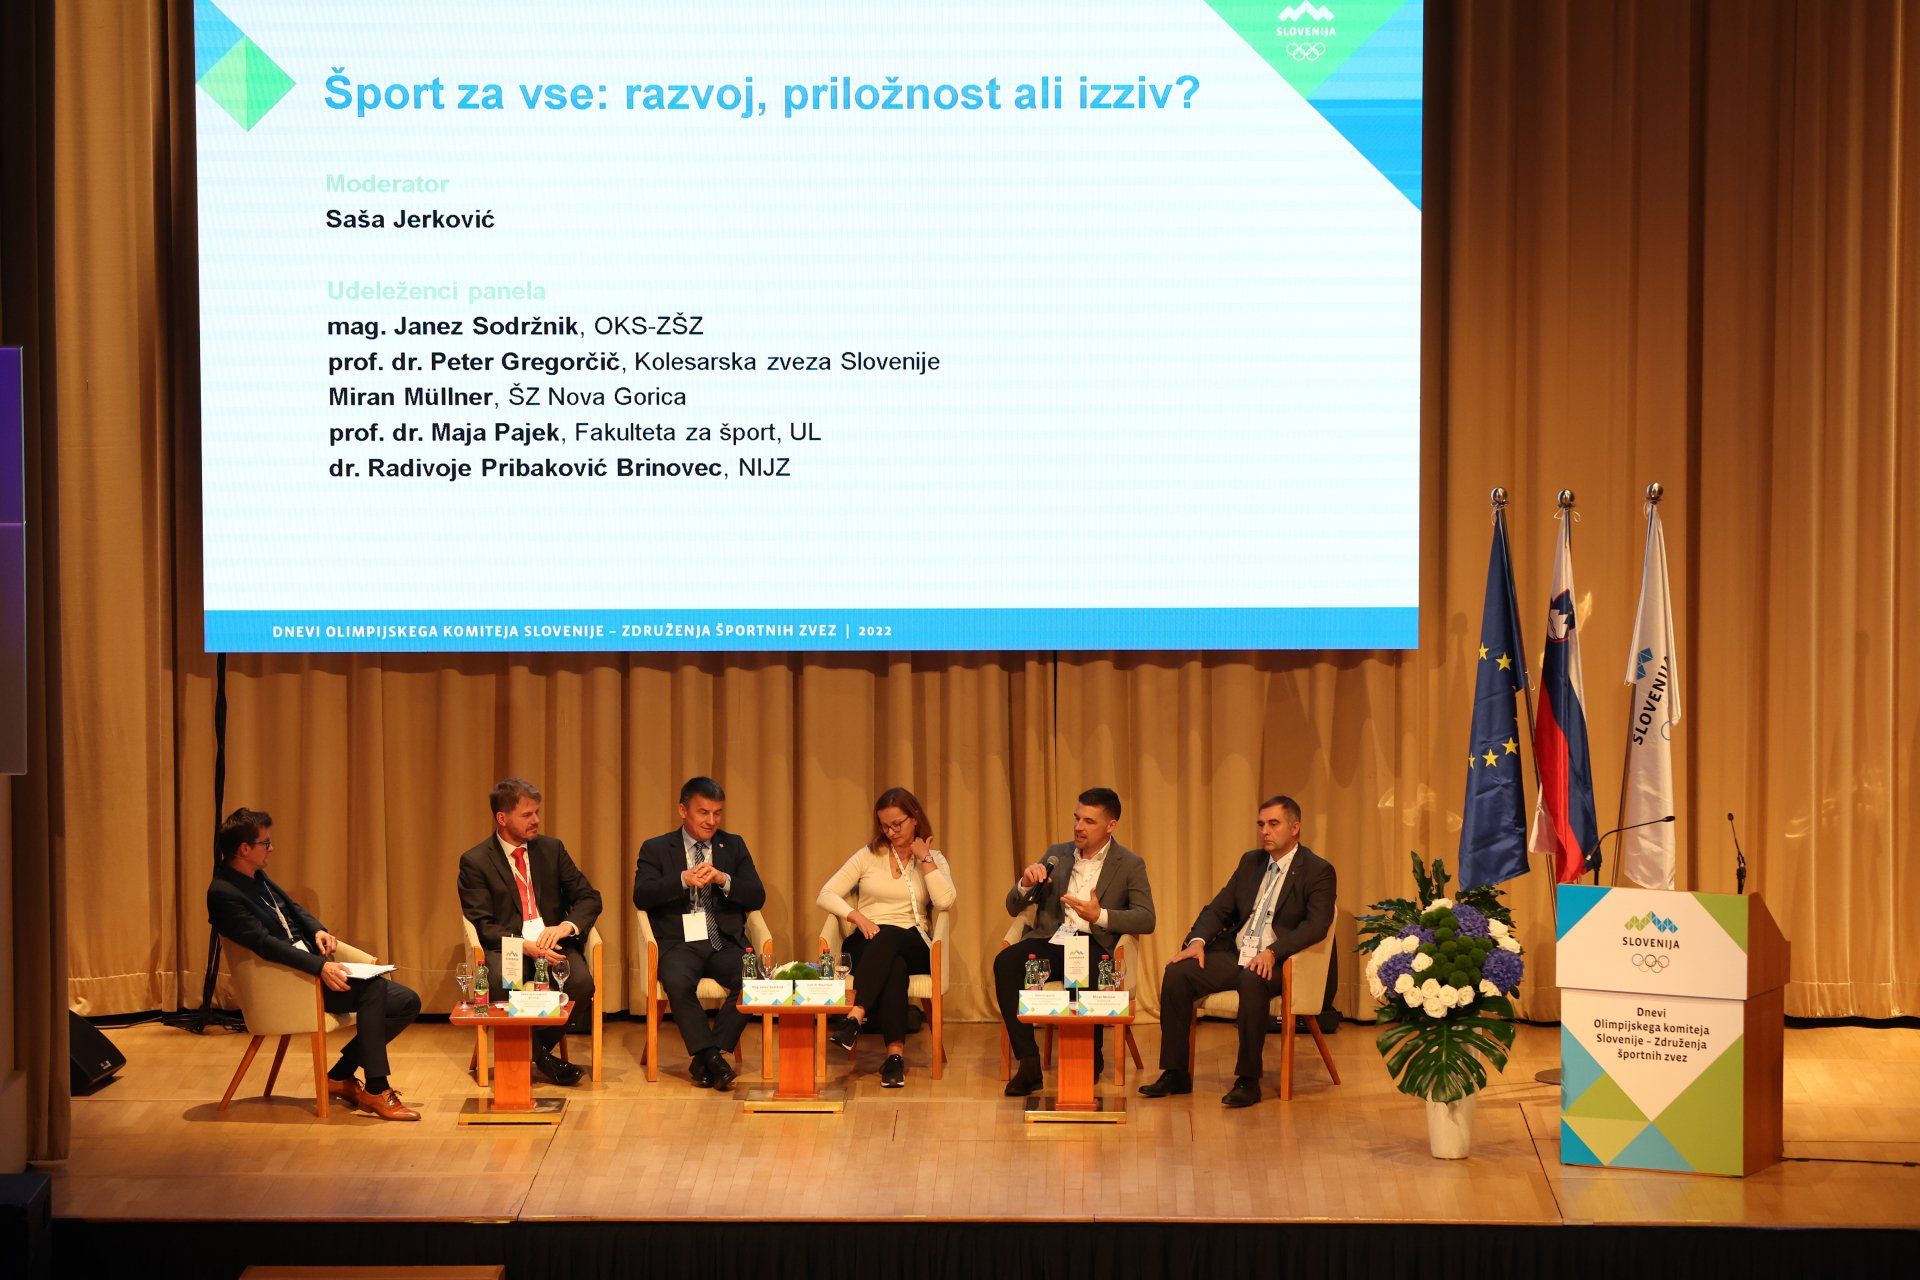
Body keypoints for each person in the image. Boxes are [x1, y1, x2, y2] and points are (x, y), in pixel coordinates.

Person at [207, 807, 422, 1120]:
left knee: (407, 1002)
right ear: (244, 849)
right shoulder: (223, 893)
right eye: (265, 843)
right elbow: (264, 945)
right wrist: (319, 967)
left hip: (308, 971)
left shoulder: (256, 876)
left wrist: (317, 930)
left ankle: (339, 1075)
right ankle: (377, 1088)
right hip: (290, 982)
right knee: (373, 991)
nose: (271, 848)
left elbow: (293, 909)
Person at [1138, 794, 1336, 1108]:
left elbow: (1316, 926)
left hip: (1278, 962)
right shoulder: (1251, 862)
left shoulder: (1317, 870)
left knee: (1251, 979)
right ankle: (1175, 1073)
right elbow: (1219, 908)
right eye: (1261, 824)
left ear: (1295, 827)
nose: (1265, 831)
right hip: (1238, 954)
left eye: (1273, 824)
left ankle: (1248, 1080)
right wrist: (1197, 942)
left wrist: (1273, 951)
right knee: (1178, 972)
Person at [994, 787, 1156, 1097]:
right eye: (1077, 818)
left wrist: (1100, 915)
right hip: (1052, 941)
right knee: (1007, 962)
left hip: (1096, 944)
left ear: (1110, 825)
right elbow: (1013, 907)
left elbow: (1147, 918)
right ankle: (1028, 1063)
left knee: (1081, 970)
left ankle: (1089, 1057)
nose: (1079, 827)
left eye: (1089, 821)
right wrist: (1025, 883)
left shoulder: (1129, 863)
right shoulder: (1057, 854)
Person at [456, 777, 603, 1087]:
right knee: (499, 982)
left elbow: (589, 897)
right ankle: (544, 1059)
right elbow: (483, 924)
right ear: (502, 818)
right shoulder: (476, 861)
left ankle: (532, 1051)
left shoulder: (551, 849)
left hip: (554, 943)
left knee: (580, 984)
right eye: (527, 814)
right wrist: (525, 945)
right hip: (511, 947)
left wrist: (564, 927)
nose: (536, 819)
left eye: (537, 812)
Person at [632, 776, 767, 1091]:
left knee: (754, 979)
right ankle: (711, 1057)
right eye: (703, 812)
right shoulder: (656, 848)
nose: (711, 821)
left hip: (723, 940)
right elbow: (642, 895)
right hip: (679, 943)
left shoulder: (733, 845)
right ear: (683, 811)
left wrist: (723, 879)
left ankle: (708, 1056)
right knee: (678, 982)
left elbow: (757, 896)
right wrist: (682, 879)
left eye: (717, 813)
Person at [818, 787, 957, 1088]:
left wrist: (925, 859)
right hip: (868, 942)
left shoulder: (933, 858)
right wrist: (857, 917)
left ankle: (855, 1016)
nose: (891, 832)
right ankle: (894, 1058)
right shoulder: (868, 856)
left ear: (915, 818)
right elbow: (826, 893)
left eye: (897, 824)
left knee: (892, 934)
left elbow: (945, 901)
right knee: (894, 966)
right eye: (884, 826)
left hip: (914, 941)